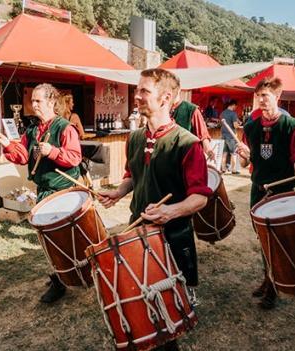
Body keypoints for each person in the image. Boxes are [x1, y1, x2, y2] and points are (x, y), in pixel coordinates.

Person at [98, 68, 211, 351]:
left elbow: (200, 198)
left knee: (166, 318)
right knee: (139, 309)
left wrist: (169, 212)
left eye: (144, 91)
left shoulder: (187, 143)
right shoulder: (135, 138)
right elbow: (134, 175)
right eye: (137, 90)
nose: (136, 96)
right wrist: (119, 191)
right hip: (137, 234)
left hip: (171, 237)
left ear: (166, 98)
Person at [0, 83, 82, 303]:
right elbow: (23, 156)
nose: (33, 105)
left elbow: (74, 157)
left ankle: (63, 279)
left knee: (61, 239)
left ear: (51, 102)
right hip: (43, 192)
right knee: (47, 238)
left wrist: (52, 151)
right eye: (32, 100)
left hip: (63, 192)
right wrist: (7, 144)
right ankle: (60, 276)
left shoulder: (65, 127)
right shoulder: (33, 129)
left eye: (38, 101)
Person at [236, 77, 295, 310]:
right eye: (258, 96)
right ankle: (268, 279)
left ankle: (274, 287)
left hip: (281, 192)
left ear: (278, 97)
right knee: (262, 238)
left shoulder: (291, 125)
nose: (261, 100)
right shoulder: (251, 127)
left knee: (276, 241)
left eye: (265, 96)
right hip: (258, 191)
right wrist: (244, 154)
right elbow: (242, 162)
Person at [170, 92, 215, 161]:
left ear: (178, 90)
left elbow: (203, 135)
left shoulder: (191, 110)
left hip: (184, 158)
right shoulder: (160, 109)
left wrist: (209, 150)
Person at [220, 100, 240, 174]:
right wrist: (238, 124)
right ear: (233, 105)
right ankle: (234, 170)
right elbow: (235, 125)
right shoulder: (233, 114)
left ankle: (223, 168)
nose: (235, 108)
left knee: (224, 153)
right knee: (233, 153)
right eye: (235, 106)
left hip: (223, 135)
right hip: (231, 136)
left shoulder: (223, 113)